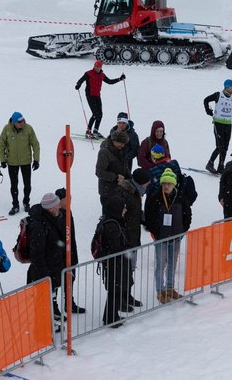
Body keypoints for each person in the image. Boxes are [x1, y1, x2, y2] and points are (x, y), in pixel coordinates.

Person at [143, 168, 192, 304]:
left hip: (176, 237)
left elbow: (187, 214)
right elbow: (149, 217)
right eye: (164, 183)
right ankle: (160, 290)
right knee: (160, 264)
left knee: (172, 263)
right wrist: (156, 232)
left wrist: (183, 230)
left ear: (174, 184)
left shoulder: (180, 197)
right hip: (161, 238)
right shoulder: (155, 197)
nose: (166, 186)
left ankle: (170, 288)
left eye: (169, 183)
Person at [27, 193, 70, 318]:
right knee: (42, 301)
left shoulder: (53, 219)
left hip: (53, 268)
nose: (59, 207)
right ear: (50, 208)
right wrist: (45, 275)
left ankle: (52, 316)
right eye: (57, 205)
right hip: (44, 272)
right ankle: (44, 325)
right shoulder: (39, 226)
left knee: (52, 295)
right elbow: (37, 254)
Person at [98, 195, 133, 327]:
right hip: (115, 264)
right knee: (115, 290)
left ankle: (111, 316)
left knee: (115, 290)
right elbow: (114, 248)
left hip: (115, 264)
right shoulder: (112, 225)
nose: (125, 210)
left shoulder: (112, 220)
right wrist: (126, 248)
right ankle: (111, 318)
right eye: (123, 208)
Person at [0, 112, 40, 214]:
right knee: (14, 185)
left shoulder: (28, 128)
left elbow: (35, 144)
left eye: (23, 121)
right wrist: (3, 160)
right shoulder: (7, 129)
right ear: (14, 122)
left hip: (26, 161)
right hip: (12, 162)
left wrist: (36, 160)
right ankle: (15, 205)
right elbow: (1, 144)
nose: (22, 123)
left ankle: (26, 202)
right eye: (19, 122)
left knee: (27, 184)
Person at [54, 188, 86, 314]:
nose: (70, 202)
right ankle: (54, 307)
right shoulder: (57, 215)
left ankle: (69, 303)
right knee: (57, 281)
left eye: (70, 199)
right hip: (60, 255)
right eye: (67, 199)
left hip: (70, 251)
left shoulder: (68, 211)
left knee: (70, 279)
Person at [75, 60, 125, 138]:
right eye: (95, 66)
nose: (96, 68)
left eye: (98, 67)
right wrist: (78, 85)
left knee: (100, 114)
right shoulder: (88, 73)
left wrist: (120, 79)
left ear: (101, 67)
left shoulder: (102, 75)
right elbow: (81, 80)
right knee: (95, 114)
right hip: (90, 95)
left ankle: (95, 131)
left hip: (97, 95)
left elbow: (110, 81)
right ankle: (88, 131)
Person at [96, 129, 130, 205]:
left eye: (124, 143)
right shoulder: (104, 152)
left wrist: (129, 178)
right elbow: (99, 172)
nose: (123, 146)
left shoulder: (122, 150)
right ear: (114, 141)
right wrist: (116, 177)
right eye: (121, 143)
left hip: (119, 190)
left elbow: (124, 166)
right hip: (107, 192)